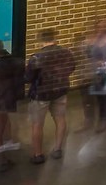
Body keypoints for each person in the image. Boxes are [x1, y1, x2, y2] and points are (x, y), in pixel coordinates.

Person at [26, 28, 75, 164]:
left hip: (41, 93)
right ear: (54, 38)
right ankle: (58, 149)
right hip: (60, 90)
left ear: (40, 40)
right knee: (60, 119)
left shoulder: (36, 57)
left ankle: (38, 154)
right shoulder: (66, 53)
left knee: (37, 124)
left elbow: (29, 77)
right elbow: (71, 68)